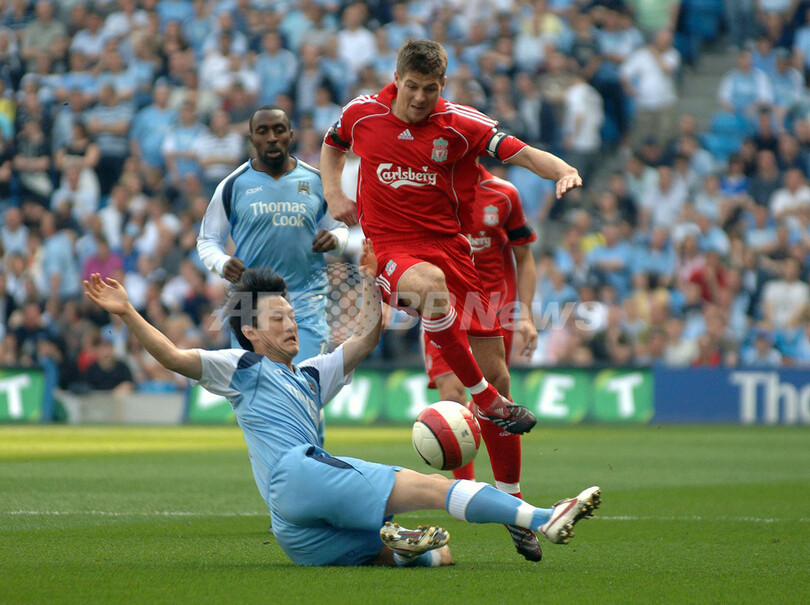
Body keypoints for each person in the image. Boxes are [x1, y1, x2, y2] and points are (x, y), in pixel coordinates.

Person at [82, 241, 601, 567]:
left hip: (295, 533)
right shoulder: (238, 369)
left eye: (290, 315)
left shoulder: (311, 375)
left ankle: (391, 544)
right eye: (278, 318)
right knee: (435, 487)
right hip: (297, 475)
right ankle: (540, 517)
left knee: (438, 556)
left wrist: (377, 283)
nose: (290, 325)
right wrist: (127, 311)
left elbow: (365, 341)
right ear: (250, 331)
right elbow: (173, 356)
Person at [321, 40, 582, 436]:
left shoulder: (461, 124)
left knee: (501, 376)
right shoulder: (362, 113)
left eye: (431, 88)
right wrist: (334, 193)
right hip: (390, 250)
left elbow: (523, 153)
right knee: (430, 287)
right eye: (412, 86)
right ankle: (483, 397)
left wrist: (563, 169)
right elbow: (332, 144)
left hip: (452, 252)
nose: (420, 97)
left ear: (443, 83)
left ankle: (511, 493)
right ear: (396, 79)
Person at [422, 162, 542, 561]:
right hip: (443, 305)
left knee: (496, 395)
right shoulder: (428, 187)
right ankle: (467, 494)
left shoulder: (504, 194)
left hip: (490, 310)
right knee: (453, 393)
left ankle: (512, 502)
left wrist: (524, 314)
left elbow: (524, 259)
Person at [197, 106, 348, 362]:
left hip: (305, 304)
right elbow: (207, 240)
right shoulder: (233, 185)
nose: (271, 137)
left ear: (291, 135)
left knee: (303, 383)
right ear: (252, 139)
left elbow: (340, 229)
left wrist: (335, 241)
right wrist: (222, 263)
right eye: (263, 131)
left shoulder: (317, 181)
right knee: (257, 391)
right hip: (251, 306)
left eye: (279, 130)